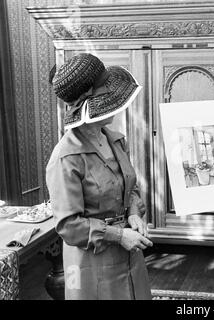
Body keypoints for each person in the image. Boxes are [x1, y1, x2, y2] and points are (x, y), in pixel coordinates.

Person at [46, 53, 153, 300]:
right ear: (89, 106)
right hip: (91, 262)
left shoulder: (116, 140)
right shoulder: (66, 158)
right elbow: (68, 225)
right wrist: (118, 235)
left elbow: (130, 188)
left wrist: (135, 212)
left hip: (129, 252)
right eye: (107, 94)